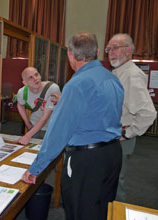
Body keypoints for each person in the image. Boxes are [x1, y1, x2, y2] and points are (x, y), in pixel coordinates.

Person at [22, 31, 124, 220]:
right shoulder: (112, 78)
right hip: (113, 154)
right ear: (98, 51)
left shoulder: (76, 84)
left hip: (87, 160)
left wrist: (36, 168)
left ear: (70, 54)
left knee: (81, 212)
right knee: (102, 210)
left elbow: (58, 133)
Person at [106, 33, 157, 202]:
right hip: (112, 137)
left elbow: (148, 113)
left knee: (114, 184)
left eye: (115, 48)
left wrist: (128, 133)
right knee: (108, 180)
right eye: (108, 49)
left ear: (128, 50)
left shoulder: (131, 75)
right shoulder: (119, 72)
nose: (110, 52)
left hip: (120, 140)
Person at [16, 67, 61, 145]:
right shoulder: (22, 92)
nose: (35, 78)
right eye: (30, 77)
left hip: (54, 128)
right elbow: (20, 105)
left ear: (40, 75)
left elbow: (45, 117)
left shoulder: (52, 89)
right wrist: (28, 124)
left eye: (36, 75)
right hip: (35, 128)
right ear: (25, 83)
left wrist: (27, 136)